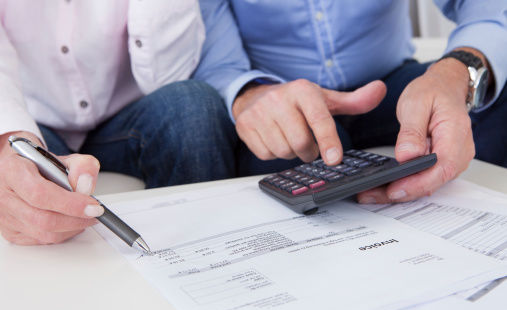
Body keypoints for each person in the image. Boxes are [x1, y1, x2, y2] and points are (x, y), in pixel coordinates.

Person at [194, 1, 507, 204]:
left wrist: (456, 72)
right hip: (283, 100)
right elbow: (219, 63)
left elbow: (486, 7)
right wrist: (251, 95)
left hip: (389, 86)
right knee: (287, 157)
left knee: (497, 96)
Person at [0, 1, 237, 245]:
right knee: (25, 180)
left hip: (125, 119)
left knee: (192, 104)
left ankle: (203, 250)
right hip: (35, 123)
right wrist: (9, 141)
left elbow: (169, 76)